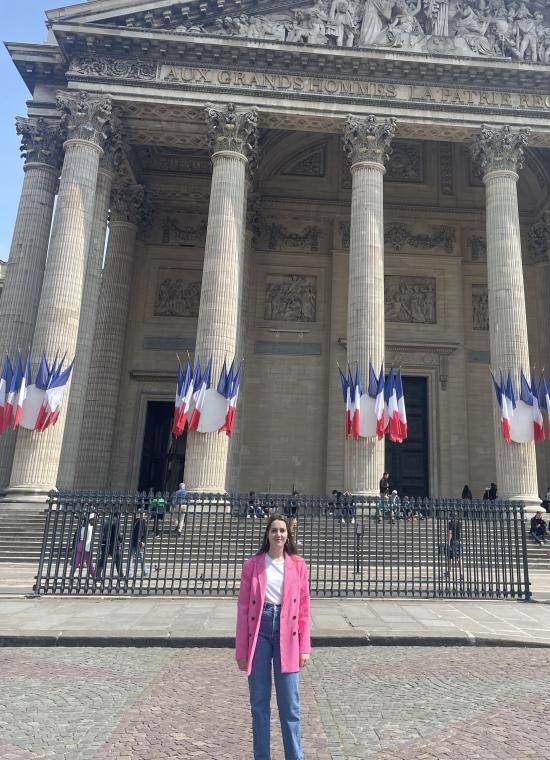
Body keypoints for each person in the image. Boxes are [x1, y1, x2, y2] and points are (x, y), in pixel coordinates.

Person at [236, 514, 311, 760]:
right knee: (259, 703)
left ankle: (295, 756)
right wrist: (241, 651)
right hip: (261, 629)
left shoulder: (298, 564)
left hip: (287, 631)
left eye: (282, 531)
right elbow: (243, 610)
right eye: (274, 530)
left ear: (288, 535)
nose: (278, 535)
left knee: (290, 703)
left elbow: (304, 610)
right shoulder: (252, 565)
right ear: (267, 534)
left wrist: (304, 647)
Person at [97, 511, 123, 578]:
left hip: (104, 543)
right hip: (113, 544)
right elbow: (116, 533)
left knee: (102, 560)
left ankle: (98, 576)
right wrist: (121, 539)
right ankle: (121, 576)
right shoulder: (116, 521)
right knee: (118, 560)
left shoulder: (106, 521)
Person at [72, 512, 96, 577]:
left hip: (80, 545)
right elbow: (89, 539)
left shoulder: (82, 528)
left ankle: (71, 575)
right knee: (90, 563)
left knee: (76, 562)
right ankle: (94, 575)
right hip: (85, 546)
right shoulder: (90, 528)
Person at [127, 511, 150, 579]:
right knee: (131, 558)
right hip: (134, 541)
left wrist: (143, 541)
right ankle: (130, 573)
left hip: (139, 542)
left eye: (141, 514)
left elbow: (144, 532)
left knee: (141, 557)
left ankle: (145, 571)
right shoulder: (136, 521)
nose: (139, 515)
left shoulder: (142, 522)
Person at [445, 514, 464, 581]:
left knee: (450, 557)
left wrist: (448, 542)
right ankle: (461, 574)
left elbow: (450, 533)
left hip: (453, 541)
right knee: (459, 558)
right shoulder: (459, 523)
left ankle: (449, 572)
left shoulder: (450, 523)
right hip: (459, 541)